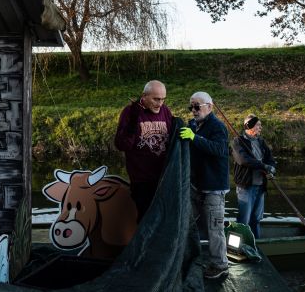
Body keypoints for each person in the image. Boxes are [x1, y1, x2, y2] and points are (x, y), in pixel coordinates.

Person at [179, 91, 229, 279]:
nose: (193, 110)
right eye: (191, 107)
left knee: (215, 229)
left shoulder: (218, 127)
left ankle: (220, 264)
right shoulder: (194, 125)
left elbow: (220, 149)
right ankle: (191, 257)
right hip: (195, 186)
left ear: (209, 106)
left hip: (214, 188)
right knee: (189, 224)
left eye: (197, 106)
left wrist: (194, 138)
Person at [114, 80, 173, 222]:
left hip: (164, 179)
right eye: (156, 99)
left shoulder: (165, 111)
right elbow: (122, 145)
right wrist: (133, 121)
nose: (160, 103)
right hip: (142, 181)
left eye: (163, 99)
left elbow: (172, 138)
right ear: (144, 96)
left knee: (164, 221)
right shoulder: (130, 112)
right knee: (146, 221)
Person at [230, 114, 276, 239]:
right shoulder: (238, 142)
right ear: (249, 126)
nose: (260, 128)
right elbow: (243, 160)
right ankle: (237, 247)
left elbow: (270, 159)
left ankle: (256, 244)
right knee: (243, 220)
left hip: (260, 186)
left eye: (260, 125)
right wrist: (263, 166)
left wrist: (271, 169)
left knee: (256, 218)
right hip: (245, 187)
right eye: (258, 125)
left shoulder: (261, 142)